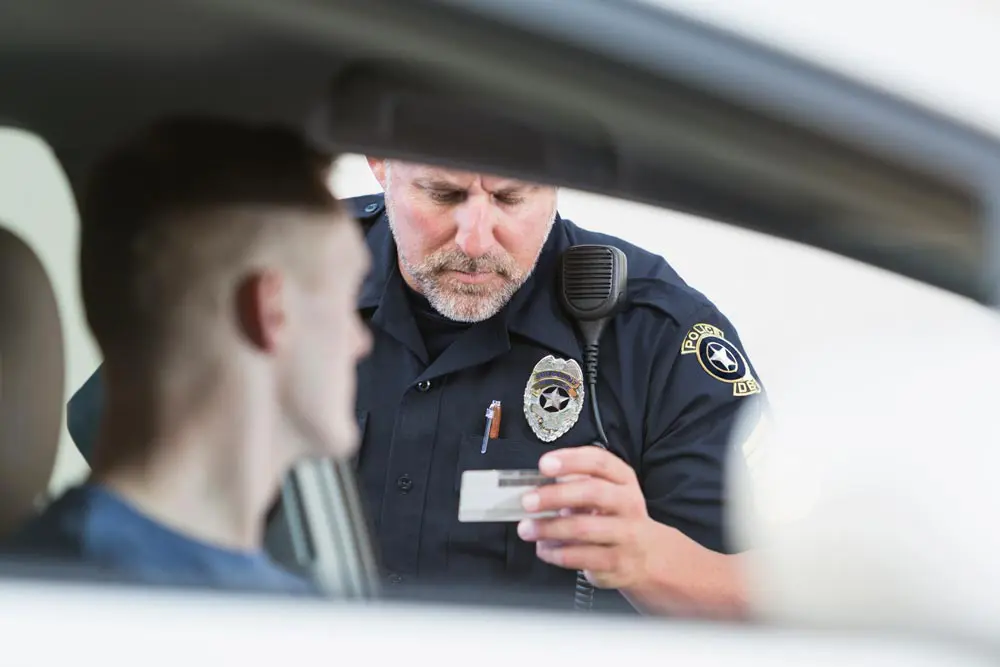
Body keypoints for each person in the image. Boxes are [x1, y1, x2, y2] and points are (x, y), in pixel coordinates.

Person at [66, 158, 762, 615]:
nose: (477, 236)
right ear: (381, 161)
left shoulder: (655, 331)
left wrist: (642, 553)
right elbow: (119, 442)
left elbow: (766, 592)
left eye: (512, 196)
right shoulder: (284, 273)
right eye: (444, 193)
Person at [6, 117, 372, 594]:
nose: (359, 340)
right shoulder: (93, 606)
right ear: (271, 311)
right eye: (344, 300)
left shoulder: (49, 581)